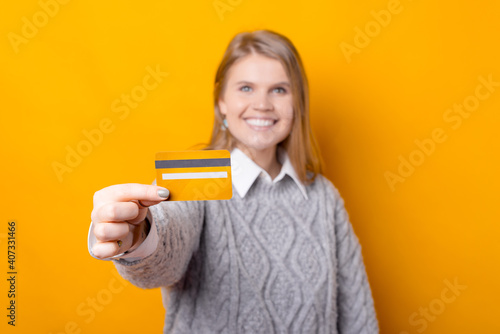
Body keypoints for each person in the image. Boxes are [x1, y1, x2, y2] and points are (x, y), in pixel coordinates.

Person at [88, 29, 379, 333]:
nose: (263, 104)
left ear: (297, 104)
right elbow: (163, 256)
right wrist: (139, 233)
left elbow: (358, 315)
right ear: (221, 102)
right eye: (246, 88)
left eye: (279, 90)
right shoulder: (197, 176)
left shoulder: (323, 197)